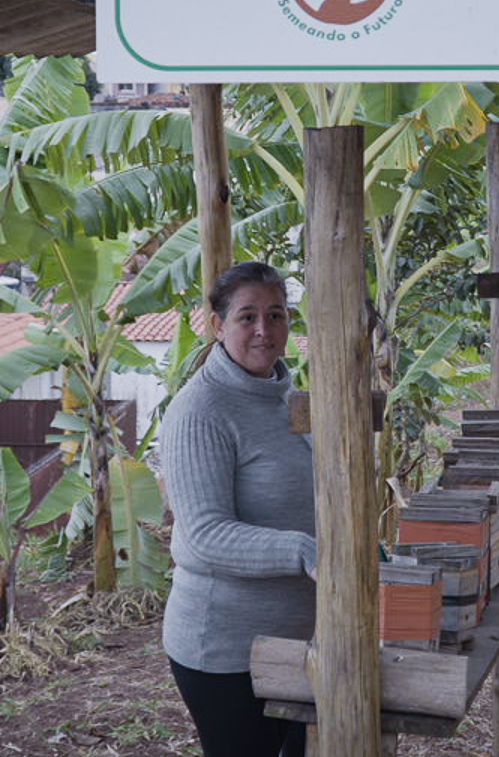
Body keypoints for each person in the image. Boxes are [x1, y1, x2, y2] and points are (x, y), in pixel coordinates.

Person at [161, 261, 314, 757]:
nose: (264, 330)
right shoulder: (200, 409)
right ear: (217, 324)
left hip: (298, 641)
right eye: (247, 317)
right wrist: (306, 551)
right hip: (226, 651)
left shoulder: (286, 393)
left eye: (276, 315)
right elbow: (204, 533)